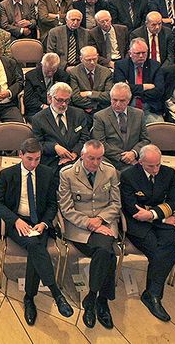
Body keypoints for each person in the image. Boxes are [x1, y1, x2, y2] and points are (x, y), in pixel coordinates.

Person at [0, 138, 74, 326]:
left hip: (38, 223)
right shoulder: (7, 174)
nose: (33, 164)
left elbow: (53, 205)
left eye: (37, 159)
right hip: (17, 221)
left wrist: (45, 223)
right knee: (35, 246)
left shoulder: (47, 173)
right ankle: (55, 294)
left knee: (35, 249)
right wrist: (16, 220)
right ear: (20, 155)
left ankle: (30, 298)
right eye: (29, 159)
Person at [58, 139, 120, 329]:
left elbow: (116, 204)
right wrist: (89, 223)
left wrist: (100, 219)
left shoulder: (110, 171)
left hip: (105, 224)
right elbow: (66, 208)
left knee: (104, 250)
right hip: (79, 228)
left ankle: (92, 298)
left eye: (99, 158)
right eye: (91, 158)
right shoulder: (67, 174)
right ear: (83, 155)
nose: (95, 163)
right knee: (107, 252)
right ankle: (101, 301)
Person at [119, 144, 175, 321]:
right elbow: (132, 209)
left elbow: (172, 202)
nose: (155, 170)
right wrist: (159, 214)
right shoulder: (129, 176)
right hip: (137, 224)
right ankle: (154, 297)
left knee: (172, 245)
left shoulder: (169, 173)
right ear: (140, 162)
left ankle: (151, 293)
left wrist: (153, 214)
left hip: (161, 220)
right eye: (150, 166)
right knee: (158, 252)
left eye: (158, 165)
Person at [31, 82, 91, 169]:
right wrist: (54, 147)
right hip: (52, 161)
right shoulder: (38, 118)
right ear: (49, 98)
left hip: (76, 159)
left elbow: (85, 137)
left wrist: (74, 153)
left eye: (67, 100)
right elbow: (38, 144)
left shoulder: (79, 114)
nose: (63, 104)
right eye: (59, 100)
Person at [91, 82, 150, 170]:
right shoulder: (100, 117)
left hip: (134, 159)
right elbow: (100, 144)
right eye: (114, 100)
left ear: (128, 100)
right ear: (110, 99)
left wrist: (134, 153)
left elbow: (145, 140)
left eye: (122, 101)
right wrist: (125, 157)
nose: (117, 104)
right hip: (111, 160)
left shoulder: (139, 114)